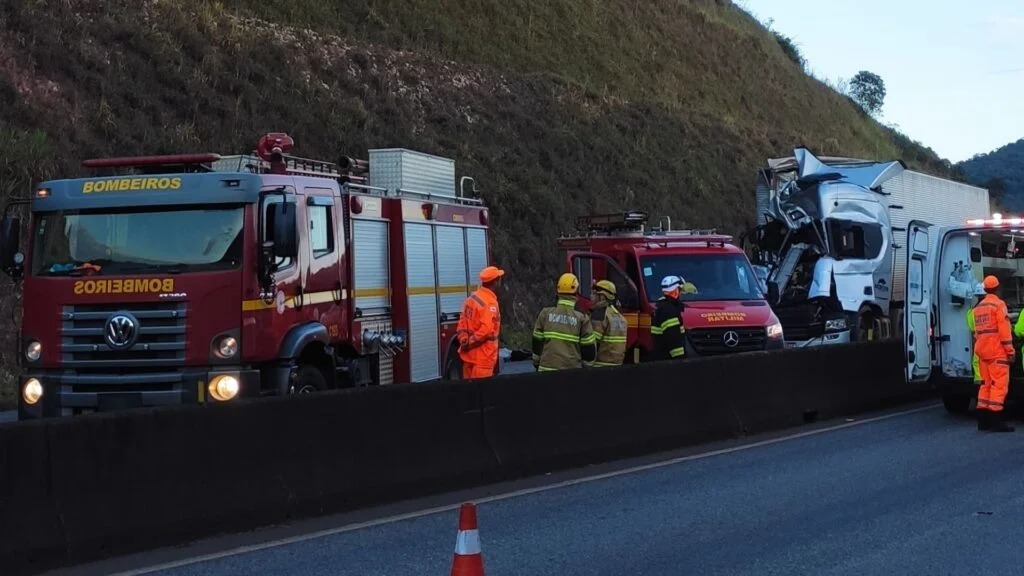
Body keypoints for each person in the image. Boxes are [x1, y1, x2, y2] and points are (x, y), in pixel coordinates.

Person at [972, 275, 1015, 432]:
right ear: (997, 288)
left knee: (985, 385)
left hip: (982, 352)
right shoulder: (999, 305)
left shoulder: (979, 308)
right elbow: (1004, 331)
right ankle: (997, 422)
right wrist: (1010, 351)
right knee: (999, 386)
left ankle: (983, 421)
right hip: (997, 352)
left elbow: (978, 333)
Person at [531, 273, 596, 371]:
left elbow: (537, 342)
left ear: (558, 291)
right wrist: (586, 369)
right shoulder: (582, 318)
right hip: (570, 373)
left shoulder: (545, 313)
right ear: (576, 292)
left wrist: (536, 362)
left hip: (545, 371)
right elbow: (588, 349)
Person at [456, 265, 504, 379]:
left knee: (468, 393)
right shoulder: (490, 303)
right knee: (480, 394)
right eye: (499, 279)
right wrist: (471, 342)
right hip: (483, 359)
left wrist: (464, 340)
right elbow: (486, 330)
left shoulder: (471, 298)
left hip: (468, 358)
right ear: (495, 282)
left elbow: (462, 323)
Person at [587, 280, 627, 367]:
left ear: (602, 297)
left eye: (594, 294)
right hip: (617, 365)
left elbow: (592, 343)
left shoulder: (599, 313)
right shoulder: (619, 315)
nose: (591, 297)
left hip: (600, 366)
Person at [651, 275, 686, 361]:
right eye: (680, 290)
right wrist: (680, 359)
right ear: (676, 290)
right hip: (668, 359)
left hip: (663, 357)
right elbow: (672, 335)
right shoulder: (669, 310)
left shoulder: (663, 307)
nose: (681, 293)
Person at [966, 283, 986, 385]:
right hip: (992, 345)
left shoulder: (971, 312)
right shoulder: (993, 308)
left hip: (978, 344)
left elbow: (972, 328)